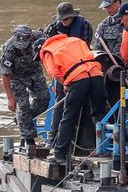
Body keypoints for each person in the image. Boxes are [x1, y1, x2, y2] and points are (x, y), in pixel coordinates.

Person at [34, 34, 107, 164]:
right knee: (99, 113)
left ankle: (59, 154)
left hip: (78, 80)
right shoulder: (75, 40)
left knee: (68, 117)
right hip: (97, 75)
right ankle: (103, 149)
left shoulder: (47, 51)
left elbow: (55, 73)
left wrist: (66, 83)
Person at [44, 2, 94, 147]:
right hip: (62, 71)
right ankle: (53, 139)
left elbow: (84, 47)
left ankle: (84, 141)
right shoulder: (53, 29)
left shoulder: (84, 25)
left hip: (80, 69)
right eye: (61, 19)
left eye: (66, 19)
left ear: (73, 17)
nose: (63, 22)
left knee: (84, 103)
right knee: (59, 103)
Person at [0, 25, 50, 147]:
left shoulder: (39, 37)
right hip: (16, 78)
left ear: (30, 37)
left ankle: (22, 120)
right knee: (23, 106)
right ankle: (29, 140)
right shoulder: (9, 49)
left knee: (44, 99)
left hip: (34, 72)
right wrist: (10, 98)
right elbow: (5, 75)